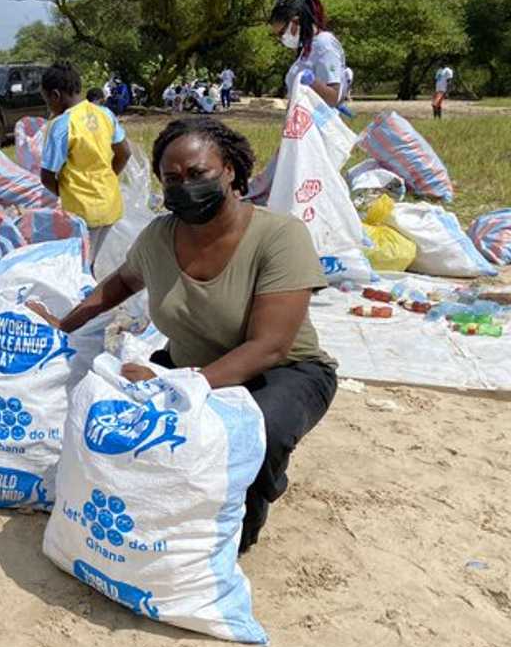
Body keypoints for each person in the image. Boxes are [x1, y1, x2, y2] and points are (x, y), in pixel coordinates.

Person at [30, 117, 337, 553]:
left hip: (283, 373)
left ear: (229, 170)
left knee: (256, 434)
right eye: (171, 179)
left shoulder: (279, 236)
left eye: (198, 174)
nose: (184, 186)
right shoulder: (160, 236)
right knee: (118, 415)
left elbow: (271, 345)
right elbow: (120, 283)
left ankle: (247, 515)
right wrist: (65, 323)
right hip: (188, 366)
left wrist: (180, 386)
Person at [39, 62, 133, 259]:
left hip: (81, 211)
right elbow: (124, 152)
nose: (47, 105)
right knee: (90, 260)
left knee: (79, 266)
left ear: (55, 95)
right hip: (110, 202)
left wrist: (66, 193)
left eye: (47, 99)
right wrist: (106, 178)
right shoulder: (105, 113)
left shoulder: (61, 125)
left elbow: (46, 176)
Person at [269, 0, 348, 108]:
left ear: (296, 22)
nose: (281, 39)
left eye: (282, 33)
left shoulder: (324, 45)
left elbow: (333, 98)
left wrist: (312, 82)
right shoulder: (307, 48)